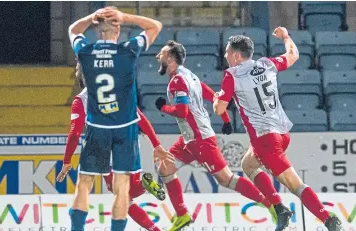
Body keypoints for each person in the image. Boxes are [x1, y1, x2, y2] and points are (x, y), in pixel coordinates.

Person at [213, 27, 343, 231]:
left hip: (266, 141)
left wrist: (215, 100)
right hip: (282, 133)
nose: (225, 56)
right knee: (247, 164)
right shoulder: (267, 64)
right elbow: (293, 54)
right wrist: (285, 37)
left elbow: (220, 108)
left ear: (237, 56)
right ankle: (280, 209)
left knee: (296, 186)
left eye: (228, 52)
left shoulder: (232, 75)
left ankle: (329, 219)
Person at [152, 40, 290, 231]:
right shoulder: (188, 75)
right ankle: (182, 215)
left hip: (200, 140)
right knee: (165, 168)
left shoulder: (177, 81)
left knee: (226, 179)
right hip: (189, 139)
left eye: (162, 53)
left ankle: (272, 206)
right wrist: (225, 119)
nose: (158, 56)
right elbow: (210, 94)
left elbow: (182, 111)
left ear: (170, 58)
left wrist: (163, 107)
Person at [67, 6, 164, 231]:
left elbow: (73, 29)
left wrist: (92, 18)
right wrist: (125, 17)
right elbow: (155, 26)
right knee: (122, 185)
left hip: (97, 126)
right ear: (117, 30)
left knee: (84, 184)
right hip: (125, 127)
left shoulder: (85, 52)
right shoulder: (128, 50)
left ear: (97, 30)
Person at [56, 64, 173, 231]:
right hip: (129, 143)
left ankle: (145, 195)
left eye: (77, 69)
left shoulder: (80, 100)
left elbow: (75, 133)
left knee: (123, 198)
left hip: (105, 150)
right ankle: (153, 222)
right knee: (128, 195)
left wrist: (67, 160)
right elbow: (141, 118)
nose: (75, 72)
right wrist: (156, 144)